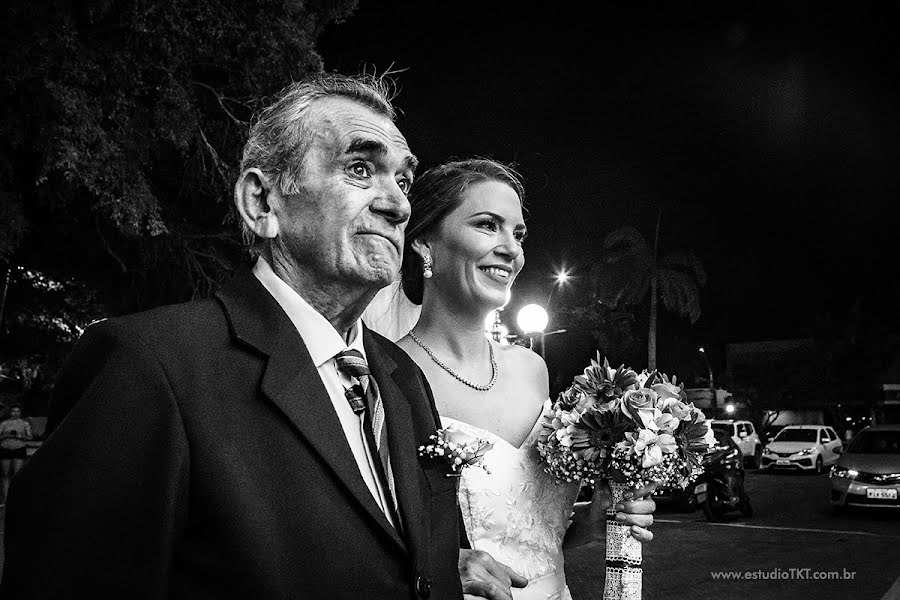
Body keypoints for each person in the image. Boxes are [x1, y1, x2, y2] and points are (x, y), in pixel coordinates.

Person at [1, 74, 509, 600]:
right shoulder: (148, 368)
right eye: (360, 169)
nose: (399, 205)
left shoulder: (405, 380)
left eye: (402, 181)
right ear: (262, 203)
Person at [368, 159, 656, 600]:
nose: (512, 250)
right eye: (488, 225)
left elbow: (534, 541)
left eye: (518, 234)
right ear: (424, 242)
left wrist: (591, 524)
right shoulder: (387, 377)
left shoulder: (531, 370)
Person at [0, 405, 32, 504]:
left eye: (18, 411)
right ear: (10, 412)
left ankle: (16, 499)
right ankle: (5, 500)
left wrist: (21, 436)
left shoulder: (24, 423)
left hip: (19, 449)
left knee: (16, 475)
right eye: (13, 411)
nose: (15, 413)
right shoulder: (4, 423)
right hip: (5, 449)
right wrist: (7, 435)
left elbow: (30, 437)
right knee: (5, 474)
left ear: (20, 413)